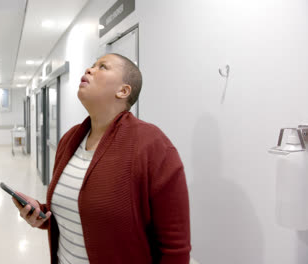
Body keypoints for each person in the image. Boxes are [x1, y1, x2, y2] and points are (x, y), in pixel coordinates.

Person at [12, 53, 191, 264]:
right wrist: (42, 215)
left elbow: (175, 248)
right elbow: (80, 213)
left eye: (103, 67)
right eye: (91, 65)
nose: (89, 69)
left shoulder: (152, 146)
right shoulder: (70, 140)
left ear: (123, 91)